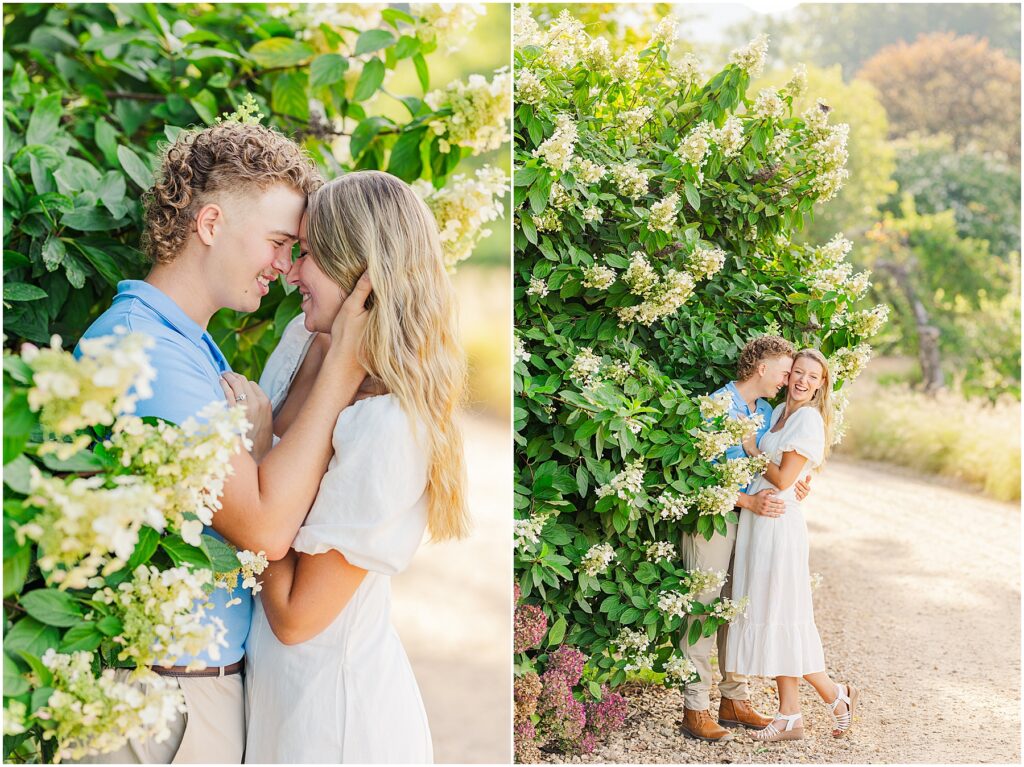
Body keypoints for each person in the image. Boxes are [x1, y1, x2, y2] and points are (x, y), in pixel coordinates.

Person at [75, 122, 371, 764]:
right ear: (210, 223)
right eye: (277, 242)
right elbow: (262, 530)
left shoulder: (184, 349)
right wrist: (342, 368)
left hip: (184, 699)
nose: (286, 266)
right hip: (159, 709)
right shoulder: (144, 352)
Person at [241, 171, 469, 763]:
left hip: (333, 724)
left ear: (359, 273)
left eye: (309, 255)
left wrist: (259, 450)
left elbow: (295, 618)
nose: (290, 273)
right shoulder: (304, 340)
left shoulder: (389, 424)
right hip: (273, 701)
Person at [680, 335, 812, 743]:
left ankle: (733, 700)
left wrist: (797, 486)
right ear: (762, 368)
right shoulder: (718, 406)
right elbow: (693, 476)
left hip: (752, 526)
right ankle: (695, 707)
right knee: (702, 609)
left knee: (736, 607)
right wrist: (748, 502)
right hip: (712, 520)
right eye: (786, 371)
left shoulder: (768, 411)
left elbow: (774, 466)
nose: (788, 379)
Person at [725, 348, 859, 741]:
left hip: (779, 525)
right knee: (776, 613)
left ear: (821, 385)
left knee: (784, 613)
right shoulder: (778, 413)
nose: (801, 380)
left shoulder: (807, 419)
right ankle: (796, 714)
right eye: (797, 372)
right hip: (761, 519)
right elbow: (786, 475)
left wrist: (752, 449)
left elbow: (783, 480)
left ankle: (827, 698)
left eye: (811, 376)